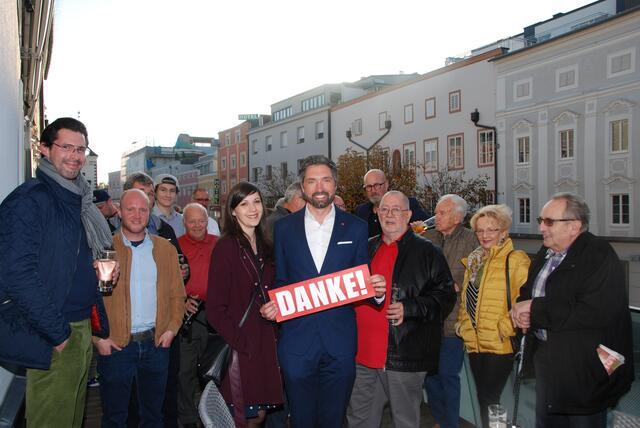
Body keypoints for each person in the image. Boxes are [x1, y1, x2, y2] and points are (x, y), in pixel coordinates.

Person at [0, 118, 112, 427]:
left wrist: (99, 276)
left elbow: (70, 263)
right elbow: (16, 275)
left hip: (81, 327)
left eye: (81, 149)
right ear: (45, 149)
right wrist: (57, 334)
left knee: (72, 420)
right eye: (66, 147)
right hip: (55, 332)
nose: (75, 156)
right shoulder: (30, 200)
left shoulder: (79, 202)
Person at [260, 155, 386, 427]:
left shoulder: (356, 226)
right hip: (296, 343)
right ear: (303, 187)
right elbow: (282, 279)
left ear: (335, 185)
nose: (319, 187)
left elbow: (361, 281)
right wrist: (274, 303)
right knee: (301, 420)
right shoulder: (283, 228)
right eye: (312, 181)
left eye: (326, 180)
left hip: (339, 344)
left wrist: (377, 292)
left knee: (334, 419)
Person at [511, 193, 634, 428]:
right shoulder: (546, 252)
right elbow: (529, 291)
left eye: (548, 221)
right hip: (549, 359)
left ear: (574, 226)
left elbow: (593, 310)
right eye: (540, 220)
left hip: (585, 367)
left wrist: (534, 309)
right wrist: (522, 308)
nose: (540, 227)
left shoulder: (598, 254)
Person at [347, 191, 455, 428]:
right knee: (359, 420)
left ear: (408, 215)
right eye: (384, 209)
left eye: (396, 209)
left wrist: (411, 308)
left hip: (402, 356)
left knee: (405, 421)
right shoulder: (365, 248)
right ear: (377, 213)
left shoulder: (428, 252)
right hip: (361, 355)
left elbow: (446, 297)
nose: (389, 214)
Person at [95, 189, 185, 427]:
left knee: (154, 417)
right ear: (119, 211)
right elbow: (88, 299)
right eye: (130, 209)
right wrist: (98, 339)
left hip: (156, 345)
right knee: (115, 418)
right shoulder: (104, 248)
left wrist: (172, 329)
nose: (137, 215)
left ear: (150, 212)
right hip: (116, 348)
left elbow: (178, 295)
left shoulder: (165, 249)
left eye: (143, 209)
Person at [206, 182, 284, 427]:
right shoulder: (226, 248)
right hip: (240, 348)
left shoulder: (267, 246)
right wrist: (242, 343)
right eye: (244, 204)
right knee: (242, 416)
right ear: (233, 211)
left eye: (257, 202)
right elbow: (215, 309)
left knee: (258, 415)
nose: (253, 209)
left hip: (266, 344)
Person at [456, 204, 530, 428]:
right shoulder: (475, 261)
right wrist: (462, 326)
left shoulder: (515, 259)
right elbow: (467, 299)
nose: (485, 235)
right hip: (475, 342)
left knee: (490, 398)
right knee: (484, 397)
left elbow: (524, 300)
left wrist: (504, 329)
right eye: (480, 230)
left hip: (499, 344)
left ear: (504, 231)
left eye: (491, 229)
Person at [122, 171, 186, 428]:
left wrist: (171, 327)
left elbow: (178, 283)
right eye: (138, 197)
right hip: (120, 341)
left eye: (148, 196)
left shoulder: (164, 234)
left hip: (158, 335)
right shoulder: (109, 240)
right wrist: (101, 337)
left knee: (159, 401)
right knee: (122, 407)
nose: (144, 203)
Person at [423, 194, 478, 428]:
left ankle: (450, 423)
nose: (437, 216)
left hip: (453, 321)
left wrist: (454, 286)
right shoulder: (427, 237)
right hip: (427, 321)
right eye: (436, 211)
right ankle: (440, 418)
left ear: (458, 216)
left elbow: (476, 277)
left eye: (443, 212)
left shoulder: (471, 240)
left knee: (447, 374)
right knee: (429, 375)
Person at [177, 203, 218, 428]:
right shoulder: (176, 245)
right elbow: (165, 281)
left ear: (207, 221)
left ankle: (210, 415)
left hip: (215, 317)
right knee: (185, 372)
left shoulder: (218, 243)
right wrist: (181, 299)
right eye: (191, 221)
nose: (197, 225)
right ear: (184, 223)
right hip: (188, 318)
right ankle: (188, 418)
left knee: (212, 371)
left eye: (201, 220)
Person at [355, 168, 428, 237]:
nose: (373, 190)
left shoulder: (407, 205)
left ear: (386, 184)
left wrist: (415, 232)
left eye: (377, 185)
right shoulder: (361, 211)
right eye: (369, 187)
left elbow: (427, 225)